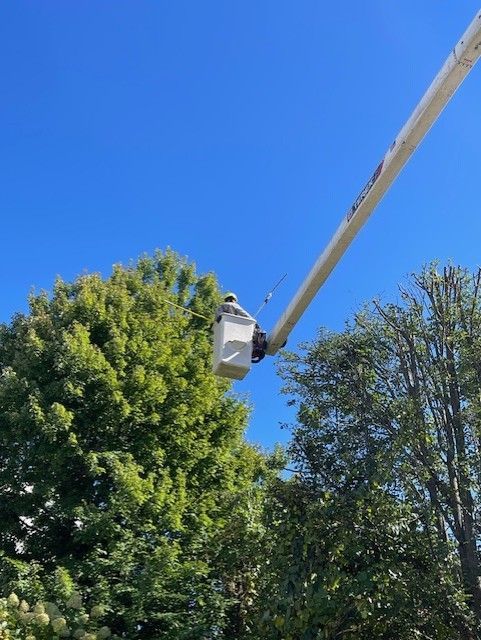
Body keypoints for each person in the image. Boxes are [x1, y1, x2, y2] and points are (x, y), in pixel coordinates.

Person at [215, 293, 267, 364]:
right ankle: (257, 347)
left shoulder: (220, 307)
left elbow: (217, 319)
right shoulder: (234, 305)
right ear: (233, 300)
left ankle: (255, 348)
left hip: (227, 331)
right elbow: (244, 314)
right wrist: (254, 323)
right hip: (236, 328)